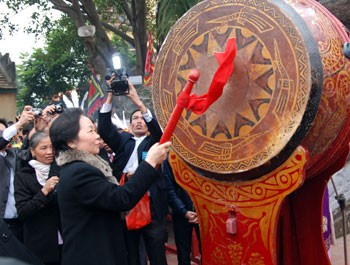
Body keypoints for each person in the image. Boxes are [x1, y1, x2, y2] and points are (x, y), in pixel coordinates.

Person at [49, 108, 171, 265]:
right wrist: (150, 162)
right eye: (90, 131)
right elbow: (121, 198)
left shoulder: (79, 168)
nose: (97, 136)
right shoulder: (79, 172)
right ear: (71, 142)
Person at [98, 81, 169, 265]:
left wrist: (138, 103)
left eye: (142, 118)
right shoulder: (123, 141)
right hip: (126, 205)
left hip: (152, 206)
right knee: (132, 254)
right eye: (135, 119)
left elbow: (160, 133)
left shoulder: (153, 141)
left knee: (157, 254)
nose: (139, 121)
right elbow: (105, 129)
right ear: (129, 126)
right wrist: (110, 96)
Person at [14, 131, 61, 265]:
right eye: (43, 148)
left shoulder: (63, 170)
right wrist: (44, 191)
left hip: (66, 239)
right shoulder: (23, 176)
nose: (49, 152)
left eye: (52, 147)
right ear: (32, 151)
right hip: (39, 243)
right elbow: (23, 211)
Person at [0, 107, 35, 241]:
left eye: (4, 132)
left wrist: (37, 128)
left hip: (18, 223)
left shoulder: (12, 155)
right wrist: (19, 124)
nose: (4, 135)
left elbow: (29, 153)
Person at [163, 159, 201, 265]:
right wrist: (183, 211)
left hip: (203, 213)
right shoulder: (171, 158)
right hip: (182, 213)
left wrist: (202, 211)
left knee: (208, 251)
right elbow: (170, 190)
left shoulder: (200, 156)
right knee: (183, 253)